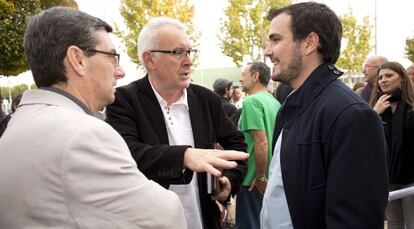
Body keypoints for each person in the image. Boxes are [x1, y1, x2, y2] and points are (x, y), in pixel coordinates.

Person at [0, 7, 187, 228]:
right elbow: (165, 216)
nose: (120, 72)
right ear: (77, 59)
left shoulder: (16, 126)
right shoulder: (85, 134)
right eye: (112, 57)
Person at [105, 17, 248, 229]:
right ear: (150, 59)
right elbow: (128, 155)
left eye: (190, 52)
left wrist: (228, 182)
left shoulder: (206, 100)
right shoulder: (124, 101)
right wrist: (185, 156)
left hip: (203, 220)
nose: (188, 61)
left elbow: (238, 146)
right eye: (178, 52)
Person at [260, 2, 389, 229]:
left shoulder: (351, 116)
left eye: (276, 39)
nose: (267, 51)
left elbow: (355, 220)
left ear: (310, 43)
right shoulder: (291, 107)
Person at [369, 61, 414, 229]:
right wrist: (374, 114)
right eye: (380, 77)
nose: (383, 80)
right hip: (388, 179)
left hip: (411, 179)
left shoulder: (411, 107)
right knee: (393, 223)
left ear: (402, 79)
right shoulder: (378, 109)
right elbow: (364, 139)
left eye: (389, 76)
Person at [236, 62, 280, 229]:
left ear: (255, 77)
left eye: (244, 74)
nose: (241, 79)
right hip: (271, 176)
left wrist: (260, 176)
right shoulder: (273, 101)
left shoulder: (251, 102)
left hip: (253, 180)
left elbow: (261, 141)